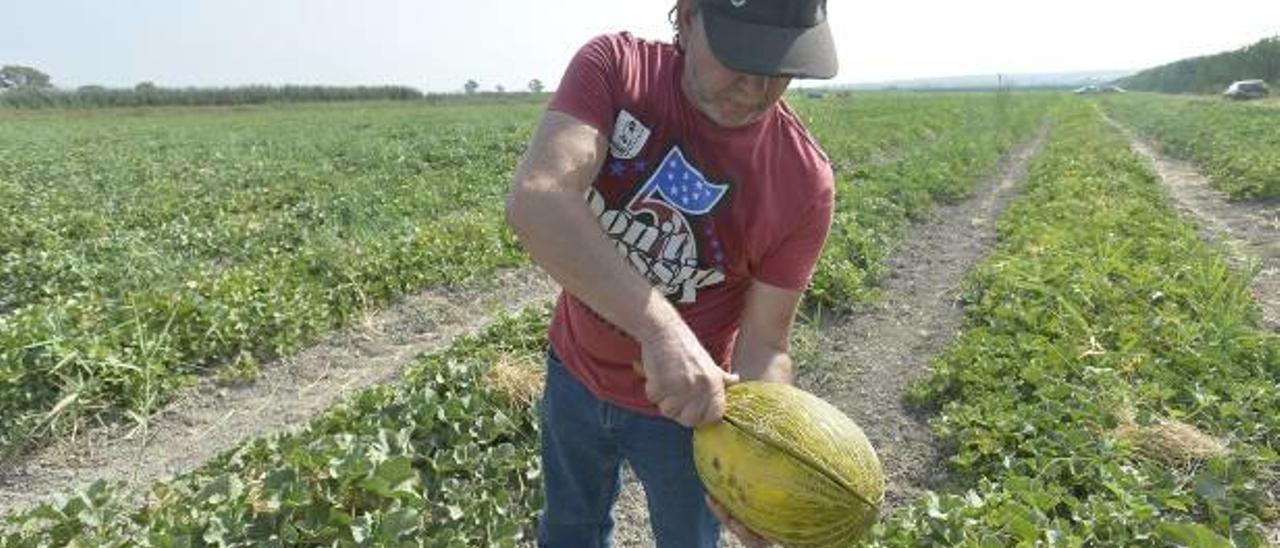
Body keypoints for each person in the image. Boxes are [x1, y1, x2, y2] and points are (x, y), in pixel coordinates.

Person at [505, 0, 838, 545]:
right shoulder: (617, 70)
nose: (756, 88)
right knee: (570, 527)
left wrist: (763, 460)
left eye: (780, 67)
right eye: (739, 57)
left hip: (688, 416)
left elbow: (766, 344)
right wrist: (661, 329)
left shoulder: (802, 181)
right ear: (687, 19)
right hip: (574, 371)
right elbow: (539, 198)